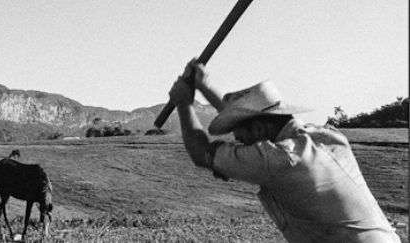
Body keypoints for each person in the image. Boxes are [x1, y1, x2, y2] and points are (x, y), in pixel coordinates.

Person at [168, 58, 400, 242]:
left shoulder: (277, 159)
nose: (238, 141)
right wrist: (204, 86)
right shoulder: (325, 137)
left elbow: (202, 153)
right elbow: (248, 122)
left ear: (259, 128)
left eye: (241, 136)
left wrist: (184, 103)